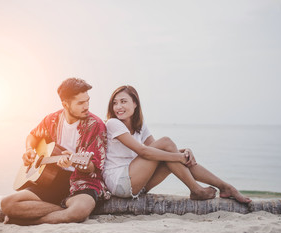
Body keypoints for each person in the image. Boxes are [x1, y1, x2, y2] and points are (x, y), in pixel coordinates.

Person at [102, 85, 251, 203]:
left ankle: (225, 187)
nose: (118, 107)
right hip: (119, 182)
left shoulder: (140, 126)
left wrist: (184, 152)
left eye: (123, 101)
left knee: (169, 153)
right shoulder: (113, 123)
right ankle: (197, 190)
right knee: (166, 142)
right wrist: (178, 156)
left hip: (138, 184)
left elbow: (159, 153)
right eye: (114, 103)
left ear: (135, 103)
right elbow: (145, 152)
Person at [1, 78, 109, 225]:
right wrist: (29, 150)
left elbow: (93, 167)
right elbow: (33, 135)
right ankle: (62, 209)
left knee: (79, 211)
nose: (86, 106)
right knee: (7, 204)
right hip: (51, 180)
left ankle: (29, 221)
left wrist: (76, 162)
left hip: (84, 182)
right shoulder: (52, 119)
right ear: (65, 104)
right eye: (80, 103)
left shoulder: (96, 125)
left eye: (87, 101)